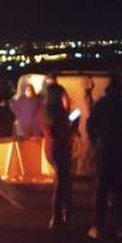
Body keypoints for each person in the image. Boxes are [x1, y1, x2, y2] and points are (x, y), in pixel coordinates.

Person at [87, 74, 122, 239]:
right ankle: (121, 227)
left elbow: (90, 125)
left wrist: (96, 141)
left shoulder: (101, 104)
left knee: (101, 190)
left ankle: (98, 226)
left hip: (105, 151)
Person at [41, 83, 74, 229]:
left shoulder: (44, 110)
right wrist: (73, 126)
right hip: (60, 148)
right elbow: (62, 133)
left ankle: (62, 213)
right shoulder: (58, 113)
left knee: (62, 180)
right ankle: (57, 216)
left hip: (50, 148)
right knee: (61, 182)